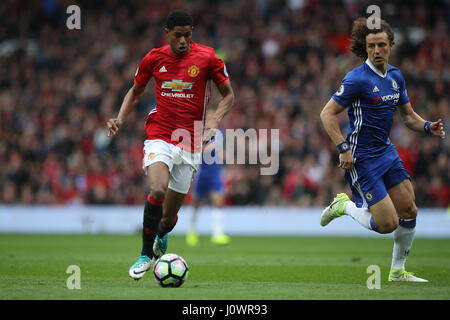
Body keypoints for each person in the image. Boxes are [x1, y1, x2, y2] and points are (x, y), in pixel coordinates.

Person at [106, 10, 235, 280]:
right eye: (178, 35)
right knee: (157, 188)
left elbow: (228, 96)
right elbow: (136, 91)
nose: (183, 41)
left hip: (190, 141)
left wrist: (214, 120)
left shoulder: (208, 57)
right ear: (167, 33)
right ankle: (144, 255)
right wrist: (119, 119)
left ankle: (162, 234)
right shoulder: (153, 58)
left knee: (167, 218)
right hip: (160, 134)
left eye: (188, 35)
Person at [319, 17, 445, 282]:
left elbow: (408, 116)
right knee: (388, 224)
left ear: (391, 45)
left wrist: (427, 127)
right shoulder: (356, 79)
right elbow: (327, 114)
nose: (377, 50)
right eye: (372, 45)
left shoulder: (396, 76)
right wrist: (343, 148)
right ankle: (345, 207)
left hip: (386, 152)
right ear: (366, 48)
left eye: (381, 45)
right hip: (361, 158)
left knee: (409, 210)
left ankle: (397, 272)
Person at [186, 113, 231, 246]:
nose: (213, 121)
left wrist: (224, 156)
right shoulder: (198, 133)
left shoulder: (219, 133)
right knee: (196, 203)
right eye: (210, 118)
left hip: (215, 171)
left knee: (218, 200)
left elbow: (218, 151)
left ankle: (217, 234)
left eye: (215, 119)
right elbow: (197, 150)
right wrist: (208, 148)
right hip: (202, 172)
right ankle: (192, 232)